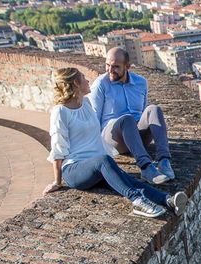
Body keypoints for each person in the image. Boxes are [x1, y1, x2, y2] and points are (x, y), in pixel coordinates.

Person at [44, 67, 187, 219]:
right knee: (105, 161)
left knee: (127, 180)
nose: (88, 81)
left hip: (97, 166)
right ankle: (138, 202)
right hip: (75, 169)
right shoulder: (60, 112)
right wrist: (57, 182)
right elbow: (58, 148)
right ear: (75, 83)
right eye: (83, 77)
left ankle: (167, 200)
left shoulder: (86, 103)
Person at [88, 47, 175, 185]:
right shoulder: (101, 84)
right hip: (113, 137)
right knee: (126, 119)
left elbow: (143, 113)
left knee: (153, 109)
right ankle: (146, 167)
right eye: (107, 65)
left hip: (136, 135)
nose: (110, 70)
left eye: (116, 66)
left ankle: (164, 161)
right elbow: (94, 117)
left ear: (127, 66)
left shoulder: (141, 82)